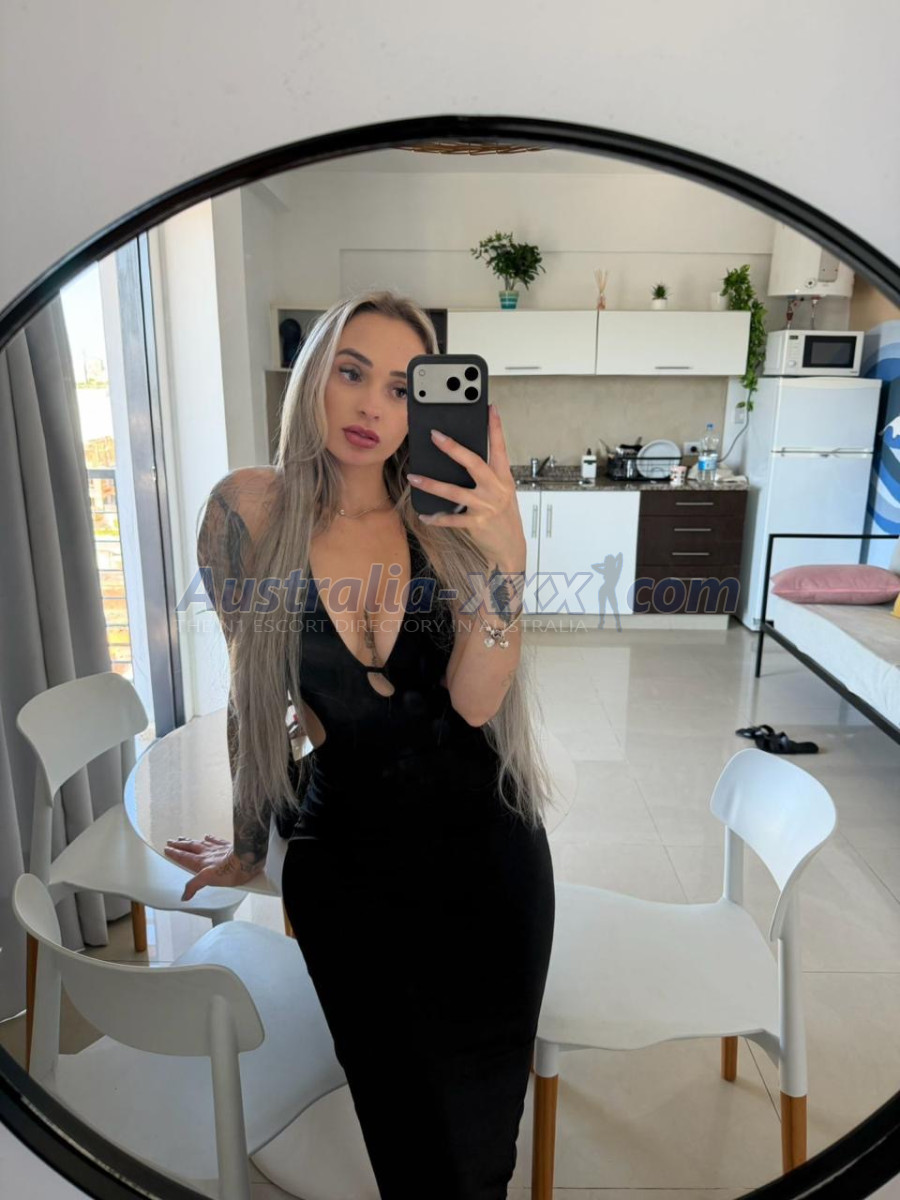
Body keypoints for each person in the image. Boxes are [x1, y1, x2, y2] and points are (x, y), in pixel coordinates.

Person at [164, 289, 556, 1199]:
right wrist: (249, 843)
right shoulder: (249, 513)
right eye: (352, 373)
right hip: (350, 876)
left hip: (489, 865)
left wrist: (509, 559)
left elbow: (475, 701)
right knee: (403, 1133)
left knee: (480, 1153)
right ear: (315, 378)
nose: (373, 406)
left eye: (402, 388)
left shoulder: (446, 521)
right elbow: (252, 694)